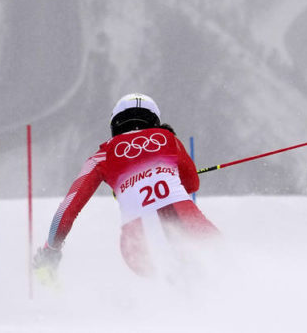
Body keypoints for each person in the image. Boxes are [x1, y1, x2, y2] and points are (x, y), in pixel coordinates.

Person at [33, 93, 219, 281]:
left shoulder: (101, 156)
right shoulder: (168, 139)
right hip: (189, 224)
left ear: (115, 124)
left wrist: (51, 249)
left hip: (137, 246)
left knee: (166, 283)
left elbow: (66, 210)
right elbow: (192, 184)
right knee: (219, 273)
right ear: (154, 120)